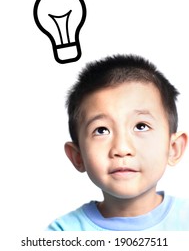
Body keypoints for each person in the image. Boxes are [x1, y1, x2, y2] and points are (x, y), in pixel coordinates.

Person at [47, 54, 189, 231]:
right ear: (78, 157)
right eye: (101, 130)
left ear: (173, 148)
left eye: (141, 126)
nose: (122, 149)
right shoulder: (63, 233)